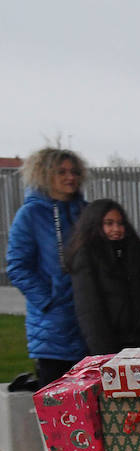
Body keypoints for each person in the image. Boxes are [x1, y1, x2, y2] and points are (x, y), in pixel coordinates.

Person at [5, 147, 88, 385]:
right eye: (61, 172)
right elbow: (18, 267)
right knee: (58, 408)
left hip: (90, 323)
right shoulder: (30, 215)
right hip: (53, 330)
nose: (70, 177)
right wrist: (49, 301)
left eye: (74, 171)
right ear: (44, 174)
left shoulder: (86, 212)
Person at [63, 199, 140, 354]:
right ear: (95, 225)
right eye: (109, 223)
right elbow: (90, 312)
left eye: (120, 223)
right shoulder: (86, 258)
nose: (116, 229)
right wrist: (106, 356)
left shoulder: (138, 254)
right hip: (111, 347)